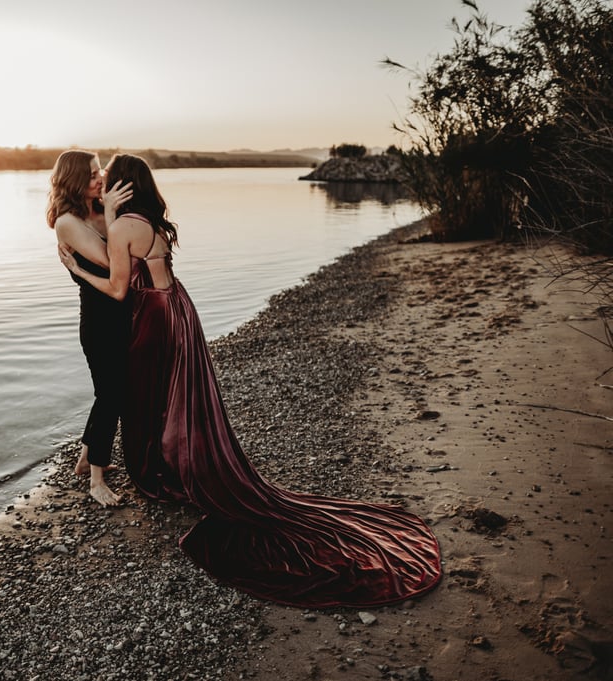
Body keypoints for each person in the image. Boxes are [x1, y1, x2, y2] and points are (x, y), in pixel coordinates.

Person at [59, 153, 442, 607]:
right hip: (177, 307)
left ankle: (153, 467)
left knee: (149, 393)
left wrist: (77, 271)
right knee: (172, 390)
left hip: (153, 315)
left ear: (123, 185)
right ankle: (119, 458)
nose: (103, 183)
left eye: (109, 179)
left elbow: (119, 288)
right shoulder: (148, 220)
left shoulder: (122, 226)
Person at [46, 150, 132, 507]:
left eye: (100, 172)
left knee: (109, 392)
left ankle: (85, 460)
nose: (101, 179)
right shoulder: (67, 221)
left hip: (123, 314)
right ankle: (96, 481)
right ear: (75, 180)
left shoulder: (98, 210)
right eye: (94, 174)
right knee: (111, 395)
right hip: (99, 322)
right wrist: (112, 212)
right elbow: (114, 260)